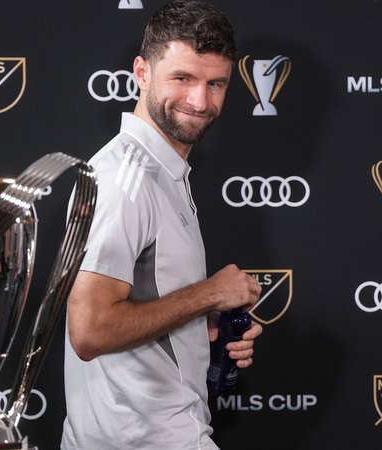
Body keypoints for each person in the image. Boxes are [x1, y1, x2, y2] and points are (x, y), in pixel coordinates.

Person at [62, 1, 263, 448]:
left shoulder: (161, 172)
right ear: (142, 72)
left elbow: (140, 303)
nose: (200, 101)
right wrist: (211, 293)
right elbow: (90, 330)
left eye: (215, 83)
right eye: (182, 78)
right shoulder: (126, 180)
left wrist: (202, 321)